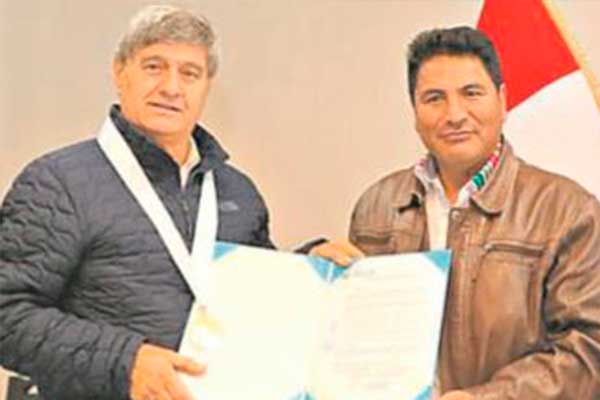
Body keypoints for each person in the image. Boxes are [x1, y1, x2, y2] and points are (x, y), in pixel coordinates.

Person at [0, 5, 274, 400]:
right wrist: (124, 362)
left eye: (189, 73)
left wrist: (317, 266)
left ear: (206, 87)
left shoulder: (238, 192)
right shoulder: (57, 183)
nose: (171, 87)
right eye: (154, 67)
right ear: (119, 73)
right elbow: (7, 315)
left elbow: (262, 301)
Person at [312, 26, 600, 399]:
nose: (454, 114)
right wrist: (319, 280)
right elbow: (353, 337)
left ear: (502, 101)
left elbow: (588, 349)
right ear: (414, 112)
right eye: (434, 98)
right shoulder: (377, 205)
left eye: (471, 94)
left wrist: (485, 398)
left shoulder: (567, 210)